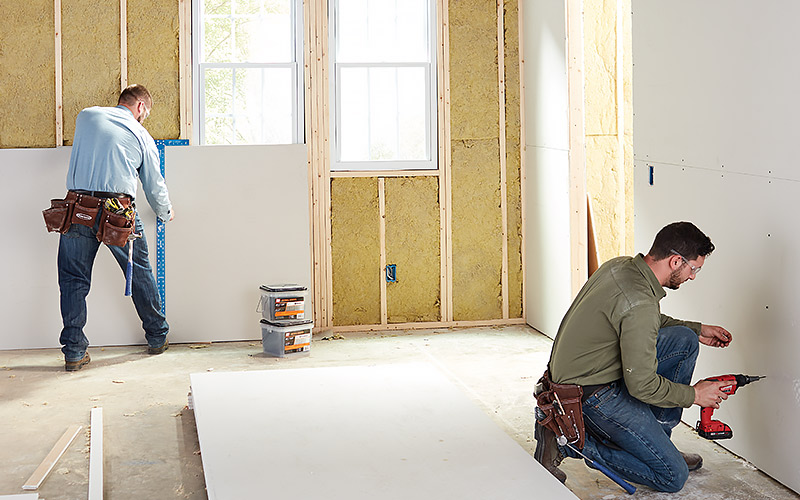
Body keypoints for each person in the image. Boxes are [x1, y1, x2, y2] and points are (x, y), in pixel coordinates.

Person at [534, 221, 733, 492]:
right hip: (589, 396)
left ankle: (659, 444)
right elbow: (642, 385)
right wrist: (694, 395)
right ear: (676, 261)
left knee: (683, 340)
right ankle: (573, 444)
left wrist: (696, 329)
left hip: (583, 376)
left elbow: (639, 319)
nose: (693, 276)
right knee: (672, 476)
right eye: (693, 268)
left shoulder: (621, 267)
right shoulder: (639, 301)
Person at [58, 84, 174, 371]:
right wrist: (165, 212)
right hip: (117, 212)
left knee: (73, 280)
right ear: (141, 108)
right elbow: (153, 184)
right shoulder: (142, 135)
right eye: (145, 113)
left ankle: (74, 352)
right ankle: (157, 337)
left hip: (78, 209)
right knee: (139, 274)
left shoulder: (86, 116)